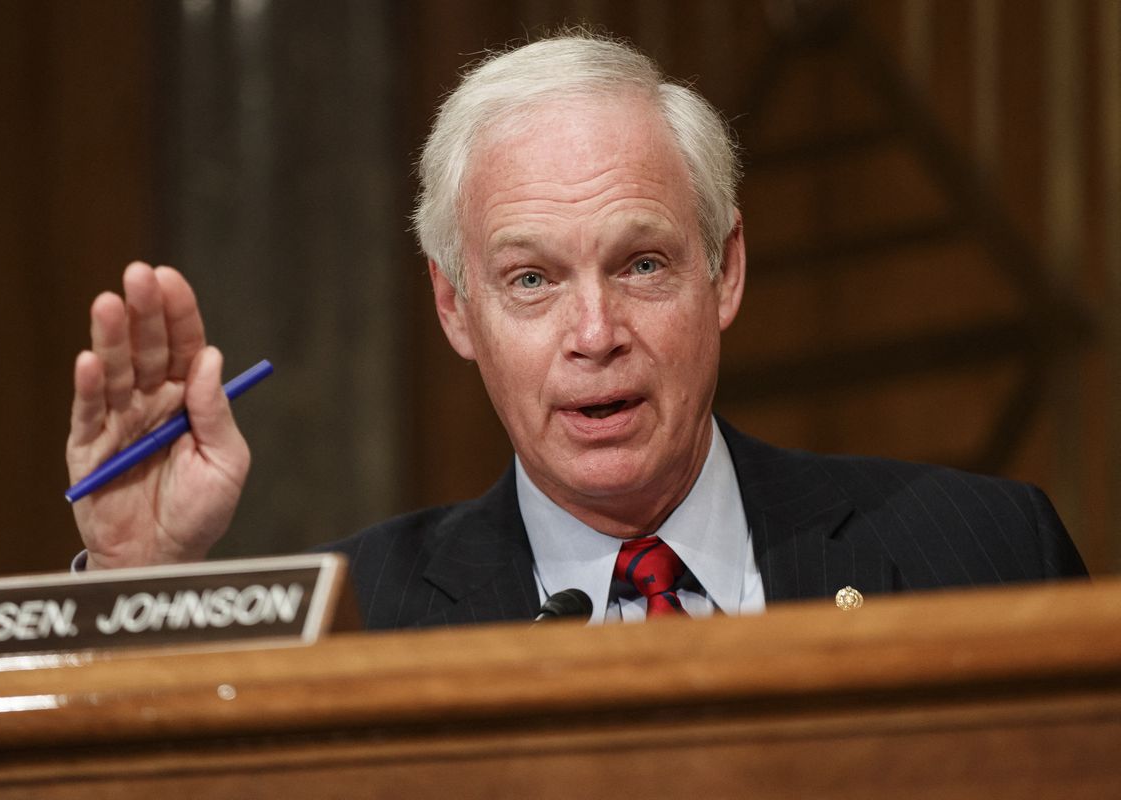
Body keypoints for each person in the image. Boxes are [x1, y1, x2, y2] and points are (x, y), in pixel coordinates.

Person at [67, 32, 1086, 627]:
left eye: (642, 263)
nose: (595, 331)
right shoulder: (347, 617)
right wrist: (131, 591)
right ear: (455, 308)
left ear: (725, 269)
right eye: (531, 279)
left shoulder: (987, 554)